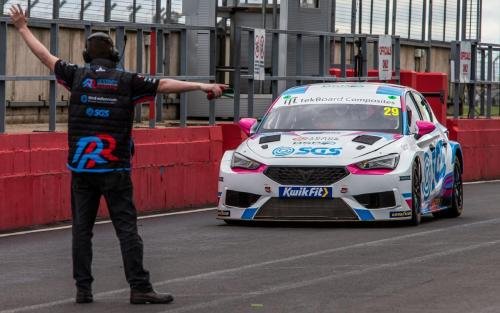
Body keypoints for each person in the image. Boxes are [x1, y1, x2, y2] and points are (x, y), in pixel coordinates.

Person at [9, 5, 226, 305]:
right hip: (115, 170)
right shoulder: (127, 81)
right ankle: (139, 287)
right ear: (114, 56)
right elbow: (164, 84)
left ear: (87, 56)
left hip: (83, 171)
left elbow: (45, 56)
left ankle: (83, 290)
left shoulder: (76, 75)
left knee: (81, 232)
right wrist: (202, 85)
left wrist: (21, 27)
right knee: (126, 230)